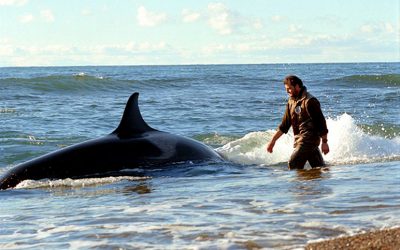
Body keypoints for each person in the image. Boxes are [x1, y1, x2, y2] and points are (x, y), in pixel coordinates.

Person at [266, 75, 329, 169]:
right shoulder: (291, 102)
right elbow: (284, 125)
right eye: (286, 89)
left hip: (309, 140)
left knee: (293, 163)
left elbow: (321, 123)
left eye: (289, 88)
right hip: (300, 140)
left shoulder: (310, 101)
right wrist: (273, 141)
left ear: (297, 86)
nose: (287, 91)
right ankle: (319, 182)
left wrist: (324, 142)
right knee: (318, 167)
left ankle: (298, 184)